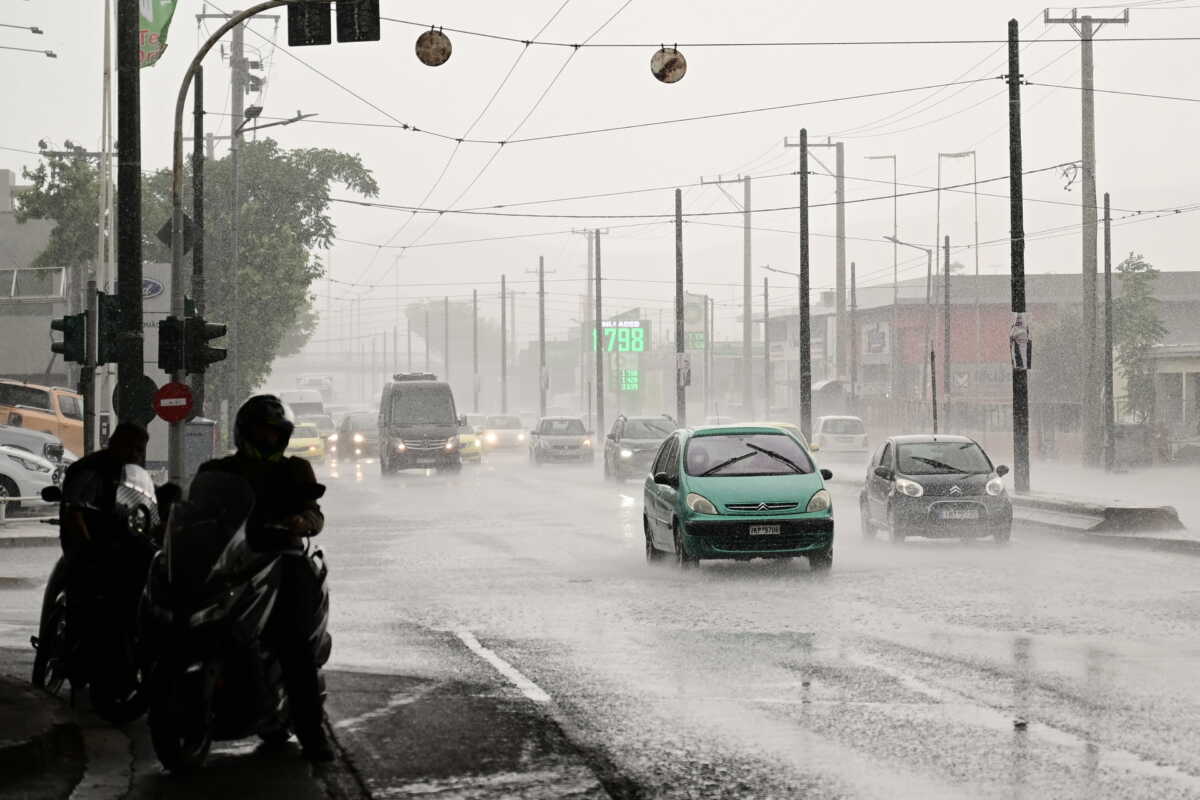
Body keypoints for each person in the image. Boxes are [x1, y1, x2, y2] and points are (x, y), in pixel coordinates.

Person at [197, 395, 333, 762]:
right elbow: (196, 510)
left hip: (279, 559)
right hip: (229, 562)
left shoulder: (295, 470)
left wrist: (301, 522)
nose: (268, 439)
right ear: (244, 432)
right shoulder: (219, 469)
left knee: (293, 643)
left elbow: (314, 515)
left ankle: (312, 734)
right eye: (261, 431)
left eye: (276, 434)